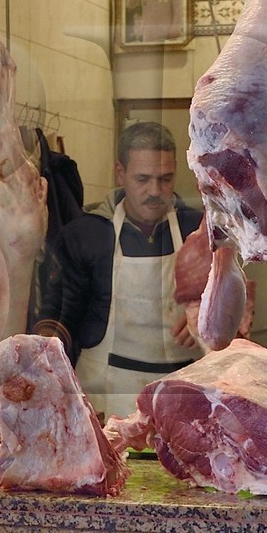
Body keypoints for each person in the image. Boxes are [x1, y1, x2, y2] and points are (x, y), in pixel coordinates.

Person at [38, 120, 205, 414]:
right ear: (120, 173)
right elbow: (60, 312)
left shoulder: (199, 231)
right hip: (109, 398)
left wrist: (204, 320)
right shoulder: (86, 235)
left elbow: (229, 305)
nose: (155, 191)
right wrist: (39, 358)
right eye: (143, 179)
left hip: (184, 396)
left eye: (166, 179)